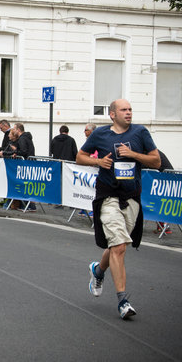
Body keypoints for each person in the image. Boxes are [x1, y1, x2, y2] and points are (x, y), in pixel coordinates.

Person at [76, 99, 161, 320]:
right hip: (108, 197)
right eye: (124, 110)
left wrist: (134, 155)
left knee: (117, 244)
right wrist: (98, 163)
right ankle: (123, 301)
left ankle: (98, 271)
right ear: (112, 114)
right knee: (120, 246)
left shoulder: (140, 133)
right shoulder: (101, 134)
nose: (129, 113)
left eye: (131, 109)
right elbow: (79, 156)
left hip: (131, 198)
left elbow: (156, 161)